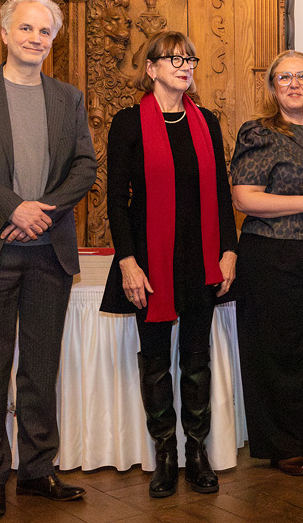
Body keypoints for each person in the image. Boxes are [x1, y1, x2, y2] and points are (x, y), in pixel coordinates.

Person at [0, 0, 96, 518]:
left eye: (45, 31)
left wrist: (42, 212)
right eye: (26, 29)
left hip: (48, 251)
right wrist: (13, 209)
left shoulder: (68, 98)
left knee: (40, 368)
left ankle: (36, 471)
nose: (36, 39)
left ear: (54, 40)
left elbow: (84, 167)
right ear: (5, 34)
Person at [99, 31, 237, 498]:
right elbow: (116, 201)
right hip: (150, 264)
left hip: (200, 259)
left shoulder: (207, 122)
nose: (184, 64)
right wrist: (128, 262)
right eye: (173, 58)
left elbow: (220, 192)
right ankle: (165, 455)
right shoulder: (128, 123)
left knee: (196, 362)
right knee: (156, 364)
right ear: (151, 68)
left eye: (189, 57)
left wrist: (229, 251)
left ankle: (196, 452)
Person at [230, 51, 303, 477]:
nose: (294, 84)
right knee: (280, 353)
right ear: (272, 87)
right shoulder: (259, 132)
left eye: (302, 76)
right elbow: (245, 198)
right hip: (275, 254)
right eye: (284, 77)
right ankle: (281, 445)